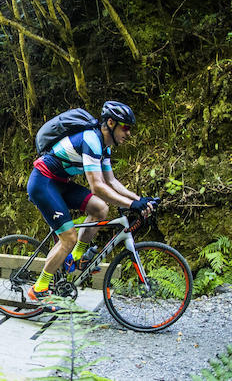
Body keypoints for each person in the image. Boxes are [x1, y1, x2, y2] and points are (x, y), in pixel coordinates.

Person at [26, 100, 155, 307]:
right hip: (43, 182)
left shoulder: (105, 147)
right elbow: (97, 187)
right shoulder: (91, 139)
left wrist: (138, 200)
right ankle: (39, 288)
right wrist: (132, 205)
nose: (129, 133)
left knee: (100, 208)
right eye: (126, 127)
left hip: (60, 183)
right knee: (68, 238)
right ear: (111, 123)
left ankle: (76, 258)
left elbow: (111, 182)